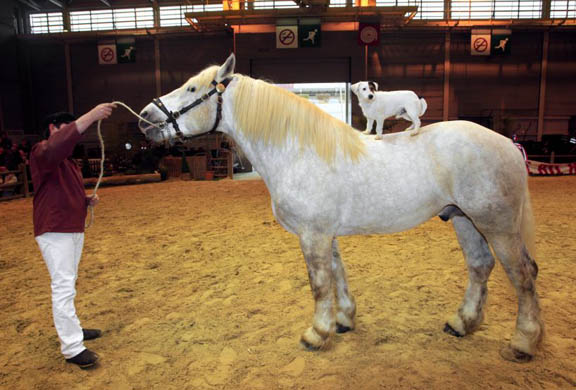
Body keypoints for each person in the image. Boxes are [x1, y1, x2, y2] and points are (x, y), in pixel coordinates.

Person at [31, 103, 116, 369]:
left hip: (68, 227)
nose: (71, 133)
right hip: (55, 229)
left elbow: (62, 191)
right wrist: (91, 116)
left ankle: (74, 331)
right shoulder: (41, 151)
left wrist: (85, 201)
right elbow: (57, 146)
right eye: (65, 128)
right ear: (52, 129)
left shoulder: (67, 163)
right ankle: (71, 347)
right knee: (64, 287)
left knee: (68, 284)